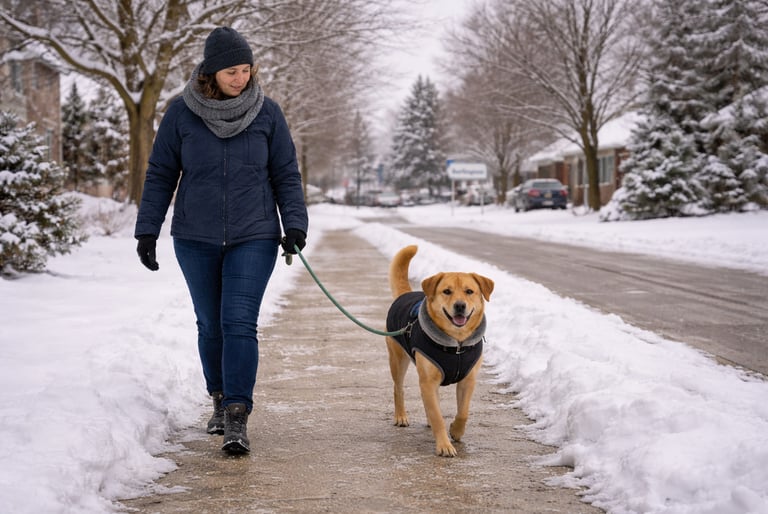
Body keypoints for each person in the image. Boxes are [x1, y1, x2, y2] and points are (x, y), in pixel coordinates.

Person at [134, 26, 308, 455]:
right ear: (211, 72)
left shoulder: (268, 113)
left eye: (247, 70)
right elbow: (160, 174)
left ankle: (236, 413)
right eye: (232, 71)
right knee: (210, 324)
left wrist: (295, 225)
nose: (241, 78)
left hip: (255, 235)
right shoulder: (180, 115)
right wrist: (147, 229)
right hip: (195, 236)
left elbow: (285, 173)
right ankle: (217, 396)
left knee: (238, 322)